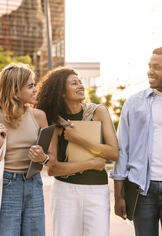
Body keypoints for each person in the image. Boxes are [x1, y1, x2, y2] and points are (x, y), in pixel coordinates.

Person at [111, 46, 162, 236]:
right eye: (149, 66)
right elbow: (123, 149)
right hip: (142, 189)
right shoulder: (134, 103)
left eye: (157, 67)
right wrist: (118, 195)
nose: (150, 71)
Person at [35, 67, 119, 236]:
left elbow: (113, 153)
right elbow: (53, 169)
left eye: (80, 82)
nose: (80, 86)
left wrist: (78, 138)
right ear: (62, 92)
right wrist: (91, 163)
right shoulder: (54, 121)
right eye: (74, 83)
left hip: (97, 191)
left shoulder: (98, 112)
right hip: (65, 192)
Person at [0, 63, 50, 236]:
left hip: (34, 183)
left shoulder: (39, 116)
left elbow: (51, 159)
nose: (35, 90)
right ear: (15, 91)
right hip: (5, 187)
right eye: (30, 86)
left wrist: (43, 157)